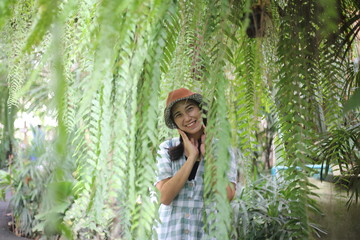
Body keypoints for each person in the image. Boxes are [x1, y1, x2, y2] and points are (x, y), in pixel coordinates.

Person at [154, 88, 237, 240]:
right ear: (175, 122)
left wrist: (210, 157)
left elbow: (226, 195)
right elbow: (164, 197)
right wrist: (192, 157)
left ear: (201, 110)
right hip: (171, 233)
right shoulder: (165, 149)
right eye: (178, 115)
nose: (187, 118)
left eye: (190, 109)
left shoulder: (223, 149)